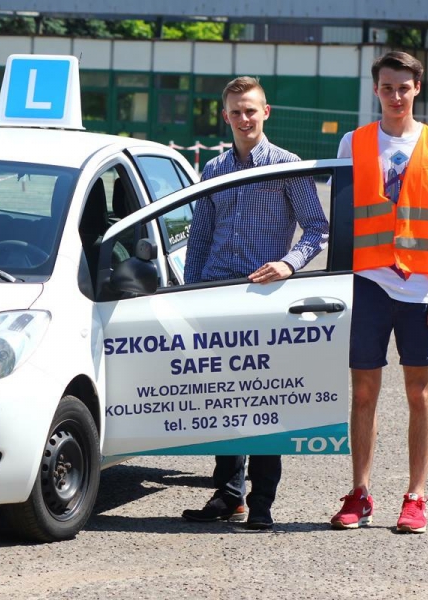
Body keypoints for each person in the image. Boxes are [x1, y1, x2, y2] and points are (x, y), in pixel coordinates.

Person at [180, 76, 329, 530]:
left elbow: (317, 228)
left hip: (265, 296)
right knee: (221, 399)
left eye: (251, 110)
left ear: (266, 112)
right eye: (236, 111)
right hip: (216, 293)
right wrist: (190, 292)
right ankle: (229, 496)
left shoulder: (287, 165)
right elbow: (200, 236)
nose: (244, 118)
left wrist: (288, 264)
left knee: (265, 399)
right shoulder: (213, 169)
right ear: (225, 116)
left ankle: (261, 502)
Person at [330, 51, 428, 534]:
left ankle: (415, 496)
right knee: (363, 392)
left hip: (421, 287)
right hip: (368, 283)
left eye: (403, 88)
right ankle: (359, 492)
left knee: (419, 393)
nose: (395, 96)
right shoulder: (353, 142)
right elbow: (342, 216)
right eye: (387, 88)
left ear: (417, 89)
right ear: (376, 90)